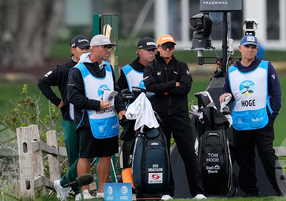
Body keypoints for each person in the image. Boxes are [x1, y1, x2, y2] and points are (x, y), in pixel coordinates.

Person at [143, 34, 206, 200]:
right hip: (160, 117)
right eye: (165, 46)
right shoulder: (151, 67)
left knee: (189, 153)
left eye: (171, 46)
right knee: (163, 155)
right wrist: (172, 84)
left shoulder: (181, 65)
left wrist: (163, 89)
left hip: (180, 116)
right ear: (158, 48)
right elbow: (150, 87)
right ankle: (167, 192)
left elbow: (185, 87)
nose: (168, 49)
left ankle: (197, 192)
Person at [219, 34, 282, 198]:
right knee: (244, 159)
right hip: (241, 122)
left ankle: (281, 190)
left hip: (263, 121)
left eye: (253, 47)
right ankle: (250, 192)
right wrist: (224, 96)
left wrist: (272, 115)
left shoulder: (266, 67)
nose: (250, 50)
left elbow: (276, 93)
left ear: (257, 50)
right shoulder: (232, 71)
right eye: (247, 47)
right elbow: (228, 92)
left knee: (267, 155)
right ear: (240, 48)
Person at [67, 34, 127, 195]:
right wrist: (96, 105)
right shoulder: (78, 70)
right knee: (85, 156)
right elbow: (73, 97)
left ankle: (102, 192)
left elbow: (115, 90)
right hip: (88, 120)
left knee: (106, 155)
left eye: (110, 48)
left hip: (108, 119)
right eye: (105, 47)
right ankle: (85, 192)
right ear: (94, 48)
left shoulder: (108, 67)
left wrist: (121, 109)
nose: (108, 50)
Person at [38, 34, 91, 201]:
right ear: (72, 50)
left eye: (87, 48)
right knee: (74, 155)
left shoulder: (92, 67)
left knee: (91, 153)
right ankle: (77, 191)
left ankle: (62, 183)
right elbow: (42, 82)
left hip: (90, 117)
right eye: (82, 48)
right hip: (70, 118)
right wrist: (58, 102)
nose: (85, 51)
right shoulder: (63, 69)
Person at [117, 37, 157, 170]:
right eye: (148, 50)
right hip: (134, 118)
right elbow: (119, 91)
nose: (152, 53)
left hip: (155, 116)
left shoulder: (158, 67)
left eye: (153, 50)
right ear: (139, 51)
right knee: (131, 150)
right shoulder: (127, 70)